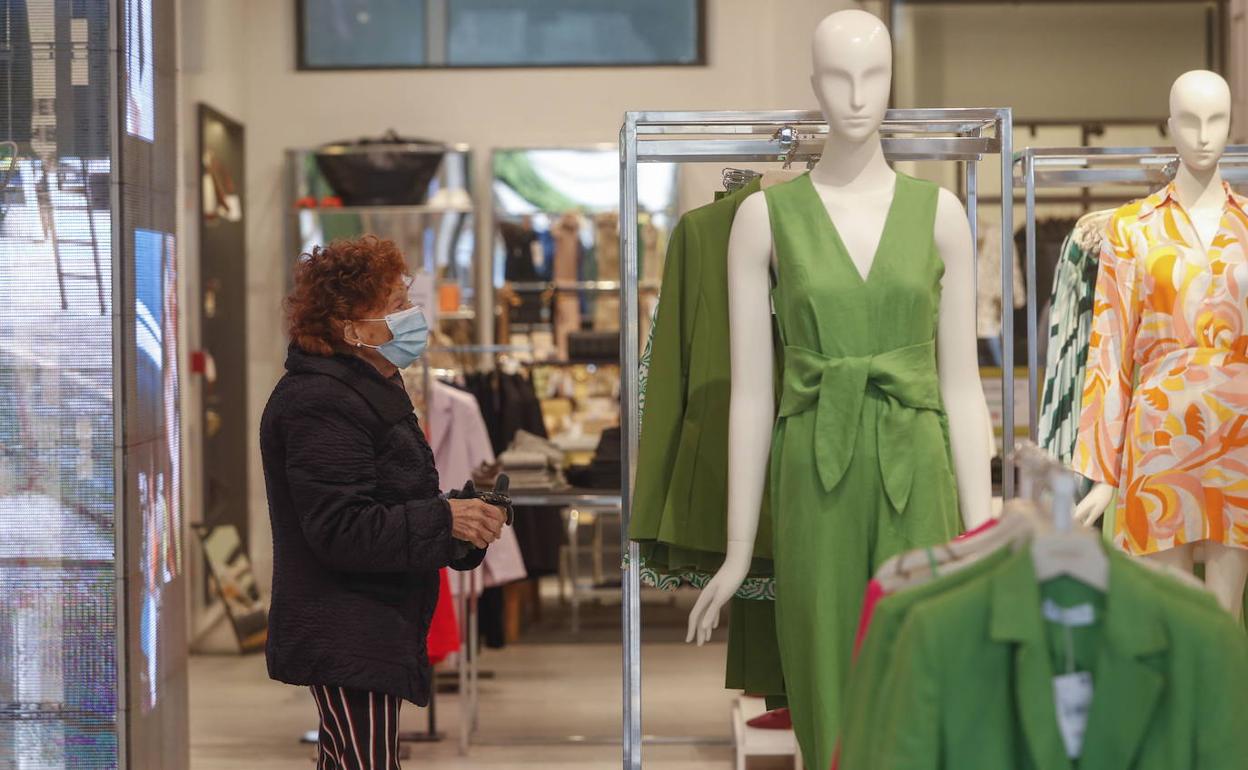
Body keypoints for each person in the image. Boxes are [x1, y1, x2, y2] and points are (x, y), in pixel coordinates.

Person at [260, 235, 506, 769]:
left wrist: (460, 522)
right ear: (351, 327)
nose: (411, 315)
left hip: (370, 619)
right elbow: (342, 527)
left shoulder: (367, 386)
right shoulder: (320, 402)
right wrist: (445, 519)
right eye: (395, 306)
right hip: (346, 623)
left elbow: (389, 498)